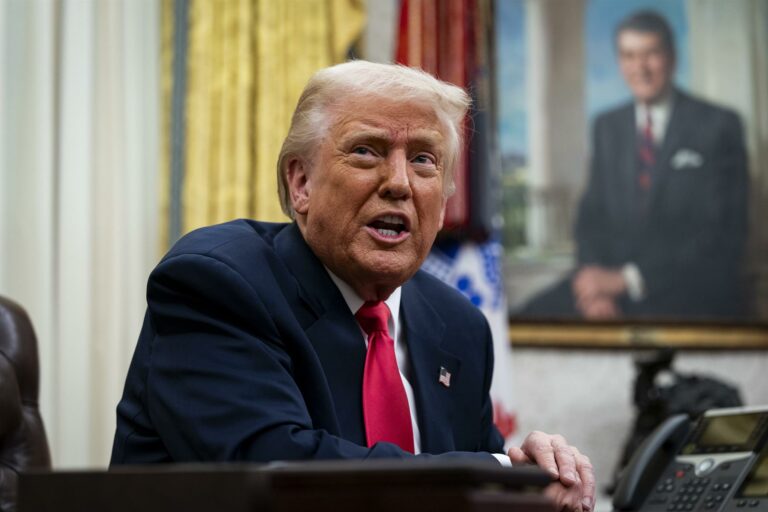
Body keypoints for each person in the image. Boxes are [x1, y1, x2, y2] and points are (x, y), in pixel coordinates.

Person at [111, 60, 594, 511]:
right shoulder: (218, 283)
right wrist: (496, 472)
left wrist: (535, 475)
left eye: (424, 160)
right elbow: (273, 470)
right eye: (366, 151)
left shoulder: (458, 325)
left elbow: (481, 477)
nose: (399, 183)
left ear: (444, 202)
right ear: (301, 183)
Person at [521, 10, 749, 320]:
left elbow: (721, 234)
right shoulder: (607, 126)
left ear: (671, 58)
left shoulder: (718, 125)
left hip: (684, 289)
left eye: (651, 54)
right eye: (629, 56)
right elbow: (590, 218)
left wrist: (628, 280)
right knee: (527, 316)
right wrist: (595, 288)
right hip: (610, 286)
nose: (640, 68)